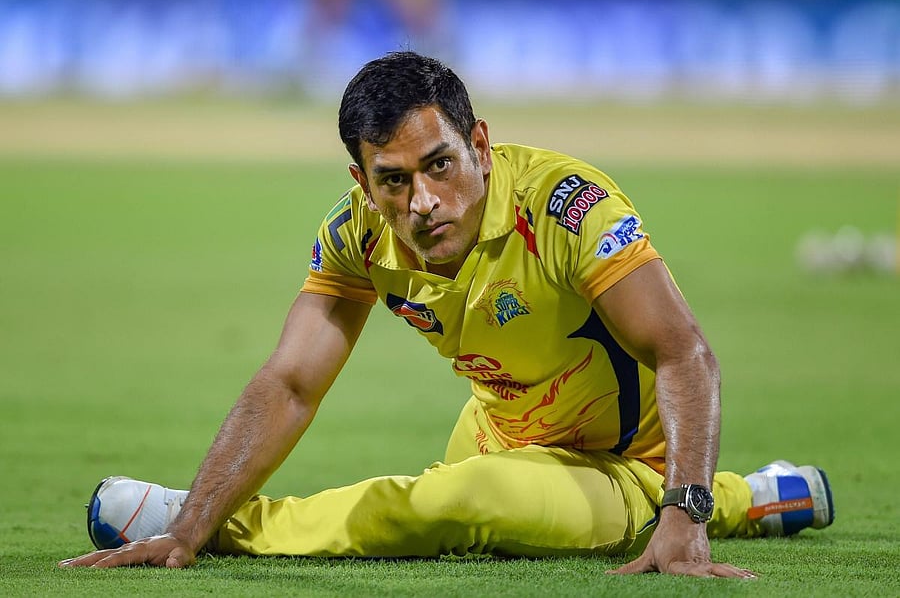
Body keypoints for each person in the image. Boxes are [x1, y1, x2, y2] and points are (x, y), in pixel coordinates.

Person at [59, 51, 834, 577]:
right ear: (363, 183)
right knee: (472, 483)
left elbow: (685, 353)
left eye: (440, 165)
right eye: (392, 181)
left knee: (458, 502)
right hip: (498, 429)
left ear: (481, 147)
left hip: (621, 462)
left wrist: (686, 509)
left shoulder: (569, 207)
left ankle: (228, 524)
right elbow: (291, 384)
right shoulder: (356, 234)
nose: (423, 203)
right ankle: (767, 496)